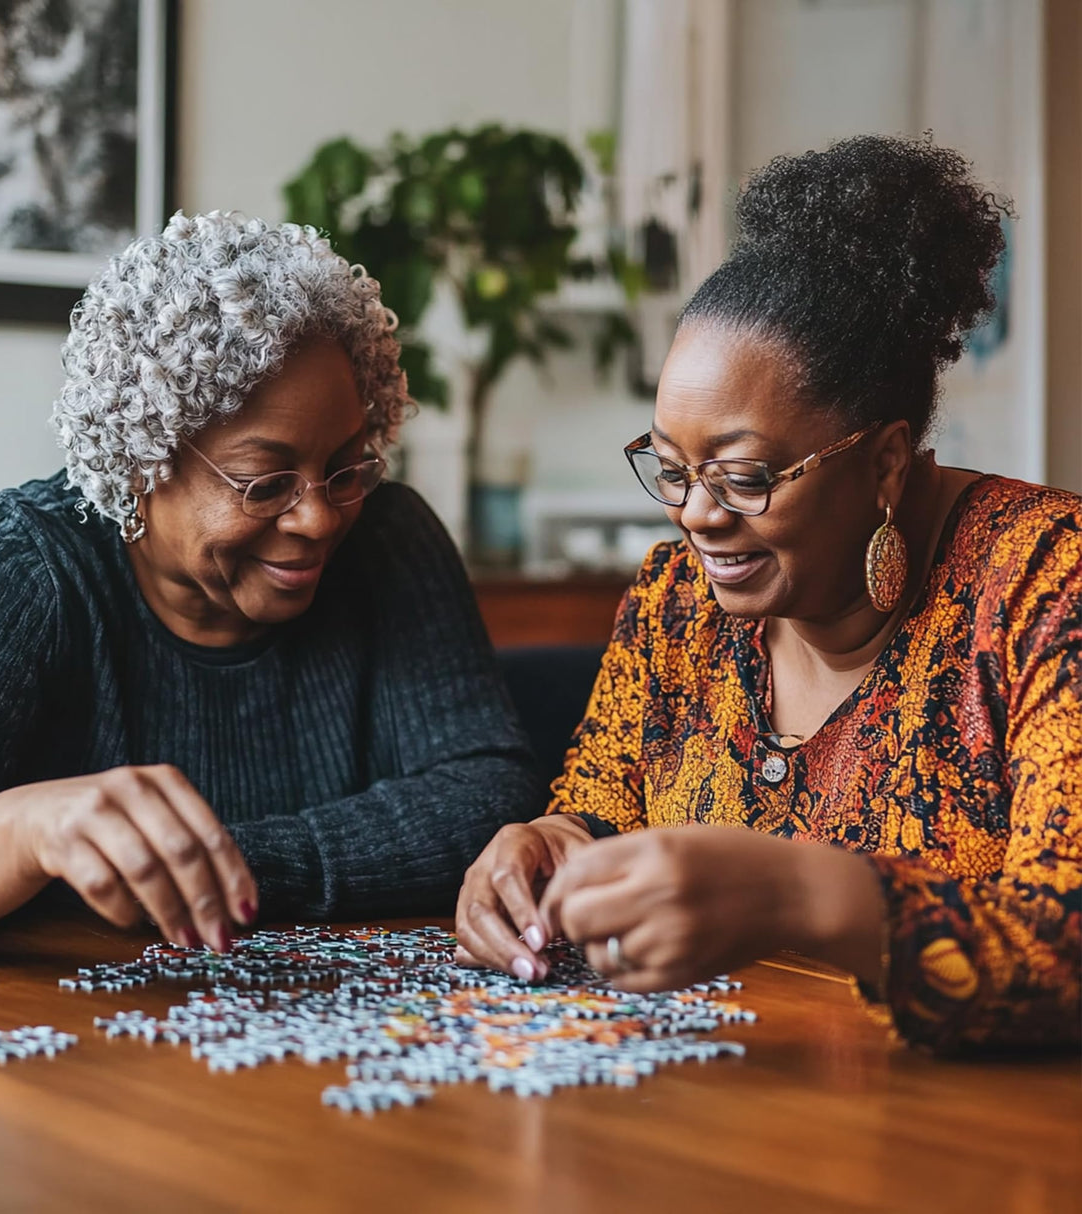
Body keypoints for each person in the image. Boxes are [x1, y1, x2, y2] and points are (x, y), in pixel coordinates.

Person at [456, 135, 1081, 1054]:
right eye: (669, 469)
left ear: (883, 463)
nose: (696, 517)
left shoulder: (1046, 583)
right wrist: (546, 846)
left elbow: (1064, 944)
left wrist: (798, 893)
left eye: (744, 477)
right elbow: (599, 800)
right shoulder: (676, 601)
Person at [0, 212, 538, 954]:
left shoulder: (389, 539)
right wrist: (31, 831)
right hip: (71, 1044)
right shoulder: (19, 563)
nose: (318, 518)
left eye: (346, 465)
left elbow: (486, 795)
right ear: (140, 461)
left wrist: (220, 866)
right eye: (263, 482)